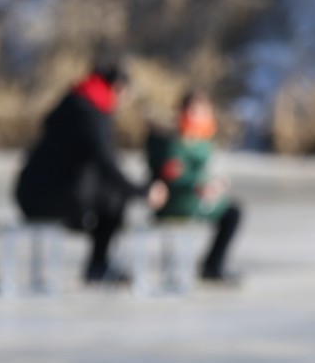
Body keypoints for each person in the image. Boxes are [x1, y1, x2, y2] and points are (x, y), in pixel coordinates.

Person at [14, 60, 164, 283]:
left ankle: (99, 265)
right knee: (114, 197)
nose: (123, 102)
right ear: (117, 88)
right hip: (48, 196)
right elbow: (106, 165)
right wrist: (142, 191)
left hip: (35, 191)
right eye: (125, 95)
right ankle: (98, 265)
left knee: (110, 195)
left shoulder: (78, 102)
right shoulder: (90, 113)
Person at [147, 89, 243, 285]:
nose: (199, 116)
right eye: (194, 111)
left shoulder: (205, 140)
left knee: (233, 211)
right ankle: (212, 265)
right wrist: (200, 186)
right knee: (232, 213)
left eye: (203, 112)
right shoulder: (173, 141)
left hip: (196, 200)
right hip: (175, 202)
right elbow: (173, 175)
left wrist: (216, 184)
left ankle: (213, 264)